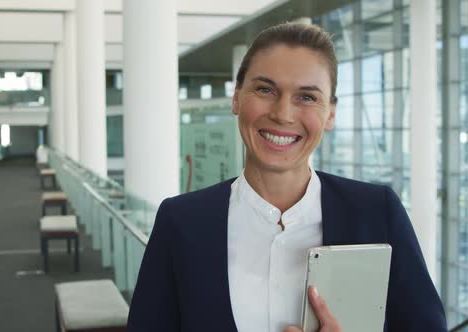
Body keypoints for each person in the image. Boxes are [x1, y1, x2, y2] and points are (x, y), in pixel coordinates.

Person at [126, 23, 447, 332]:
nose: (282, 113)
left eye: (307, 97)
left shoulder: (377, 212)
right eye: (265, 89)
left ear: (331, 113)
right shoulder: (180, 221)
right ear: (236, 98)